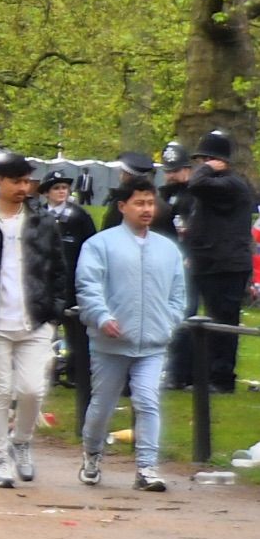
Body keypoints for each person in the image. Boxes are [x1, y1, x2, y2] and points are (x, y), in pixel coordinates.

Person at [0, 150, 76, 488]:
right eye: (17, 181)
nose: (24, 188)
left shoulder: (42, 220)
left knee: (32, 389)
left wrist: (55, 311)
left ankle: (21, 440)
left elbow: (58, 268)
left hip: (35, 319)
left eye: (27, 181)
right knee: (0, 392)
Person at [76, 174, 187, 493]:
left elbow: (178, 293)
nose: (147, 209)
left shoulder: (167, 249)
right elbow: (88, 286)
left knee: (148, 400)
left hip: (153, 342)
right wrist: (101, 317)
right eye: (139, 203)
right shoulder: (100, 245)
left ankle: (147, 467)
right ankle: (93, 454)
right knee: (103, 405)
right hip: (110, 343)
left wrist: (169, 320)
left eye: (151, 202)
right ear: (123, 207)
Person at [166, 129, 252, 395]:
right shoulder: (216, 187)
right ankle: (190, 372)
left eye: (204, 159)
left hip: (225, 266)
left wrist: (205, 169)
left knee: (223, 324)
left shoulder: (230, 184)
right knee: (196, 321)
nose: (200, 165)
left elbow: (196, 183)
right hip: (207, 263)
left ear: (217, 160)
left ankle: (221, 378)